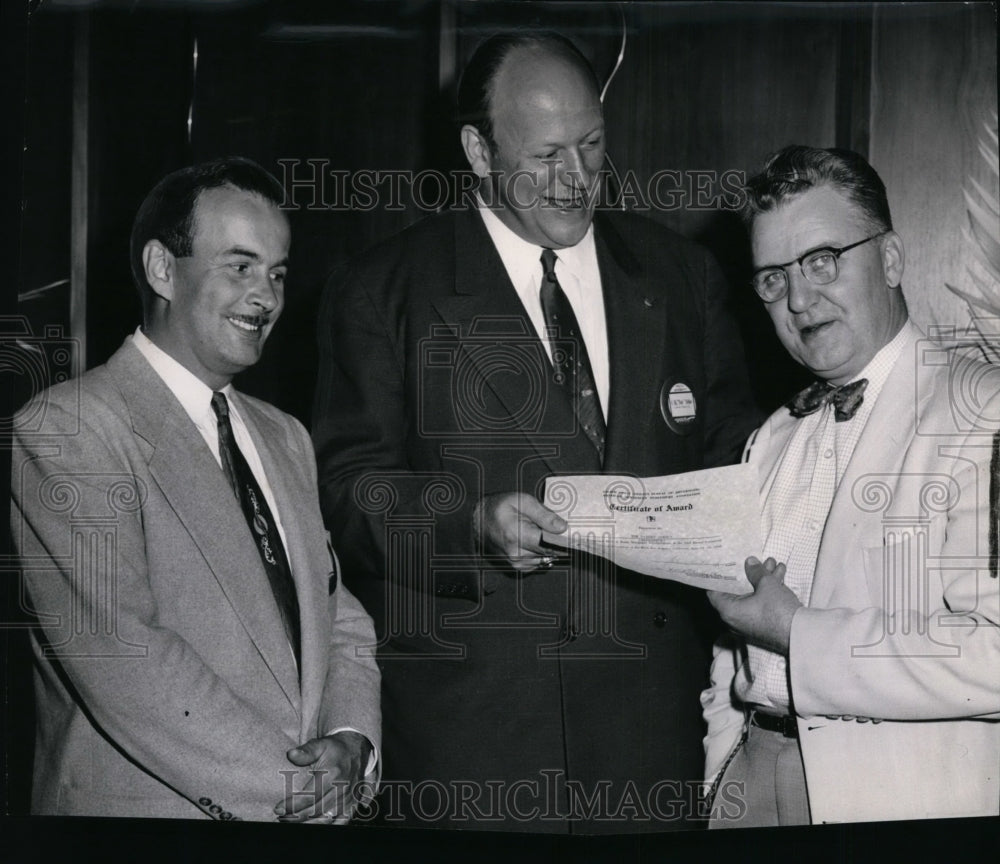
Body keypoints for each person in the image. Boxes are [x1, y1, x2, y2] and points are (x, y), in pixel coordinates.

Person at [313, 32, 758, 832]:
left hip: (648, 739)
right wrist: (469, 526)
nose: (577, 179)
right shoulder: (383, 292)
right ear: (478, 150)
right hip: (475, 746)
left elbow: (734, 449)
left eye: (592, 145)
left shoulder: (680, 275)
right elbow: (349, 494)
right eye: (546, 153)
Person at [10, 158, 380, 822]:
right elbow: (124, 659)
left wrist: (354, 743)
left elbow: (339, 616)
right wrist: (294, 787)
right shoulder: (67, 429)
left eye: (277, 273)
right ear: (161, 269)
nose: (265, 297)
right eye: (239, 266)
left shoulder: (284, 435)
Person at [703, 145, 1000, 826]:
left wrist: (799, 634)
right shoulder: (774, 434)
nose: (800, 299)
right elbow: (729, 646)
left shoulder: (984, 410)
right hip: (749, 782)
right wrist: (722, 771)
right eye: (773, 278)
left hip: (896, 800)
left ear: (891, 259)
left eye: (821, 260)